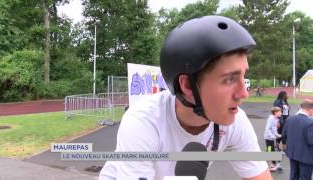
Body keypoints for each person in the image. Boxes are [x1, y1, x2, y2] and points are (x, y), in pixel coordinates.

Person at [99, 15, 272, 179]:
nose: (244, 94)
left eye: (243, 76)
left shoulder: (235, 122)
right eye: (229, 79)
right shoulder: (143, 122)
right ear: (188, 85)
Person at [281, 99, 313, 180]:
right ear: (310, 109)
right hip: (306, 156)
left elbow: (284, 135)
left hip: (292, 153)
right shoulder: (310, 122)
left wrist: (285, 145)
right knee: (304, 177)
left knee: (293, 175)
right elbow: (311, 141)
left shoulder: (290, 119)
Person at [264, 107, 282, 171]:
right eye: (279, 112)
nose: (281, 113)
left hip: (271, 137)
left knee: (270, 149)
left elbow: (274, 128)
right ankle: (272, 165)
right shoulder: (271, 119)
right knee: (271, 150)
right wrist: (272, 136)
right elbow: (267, 129)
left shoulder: (276, 119)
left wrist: (277, 135)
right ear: (275, 112)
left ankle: (267, 158)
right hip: (268, 137)